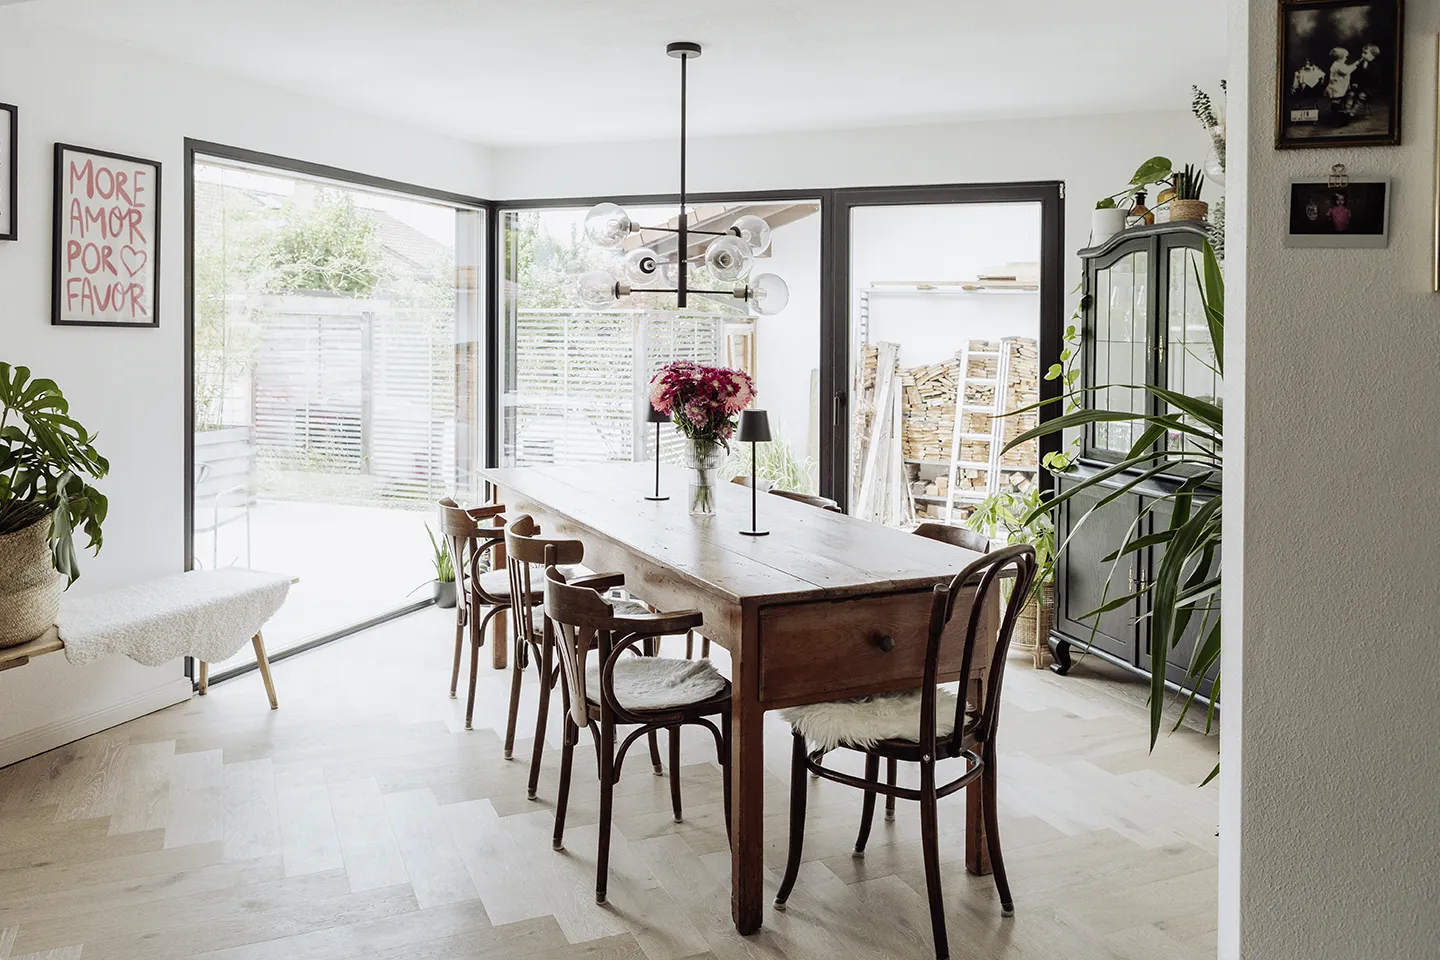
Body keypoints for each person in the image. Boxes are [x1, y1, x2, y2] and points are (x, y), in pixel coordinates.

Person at [1325, 47, 1360, 125]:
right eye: (1345, 57)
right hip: (1337, 88)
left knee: (1341, 100)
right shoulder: (1337, 66)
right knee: (1338, 101)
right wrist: (1355, 64)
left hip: (1338, 87)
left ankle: (1339, 114)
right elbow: (1346, 71)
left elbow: (1347, 68)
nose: (1346, 58)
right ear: (1340, 58)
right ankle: (1338, 116)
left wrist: (1355, 64)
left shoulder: (1339, 64)